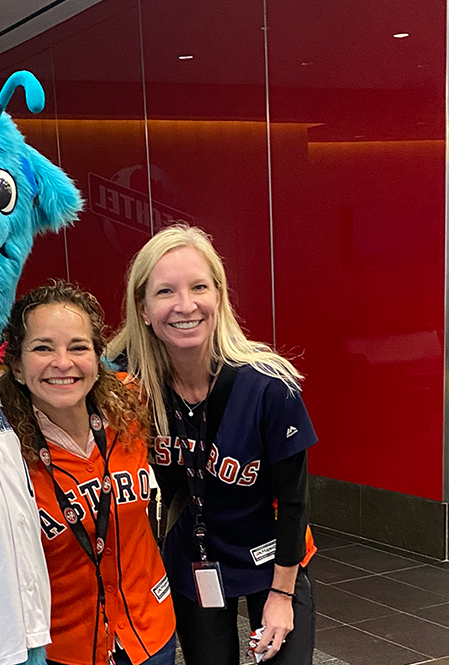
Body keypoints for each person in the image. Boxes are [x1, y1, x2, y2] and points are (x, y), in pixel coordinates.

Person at [109, 225, 317, 665]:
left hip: (275, 560)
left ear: (218, 296)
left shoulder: (268, 386)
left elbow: (294, 501)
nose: (185, 306)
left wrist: (282, 594)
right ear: (143, 309)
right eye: (166, 291)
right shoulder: (129, 388)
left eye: (199, 287)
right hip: (195, 561)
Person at [0, 282, 177, 665]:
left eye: (78, 347)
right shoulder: (0, 453)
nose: (62, 362)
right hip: (64, 650)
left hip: (152, 634)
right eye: (42, 348)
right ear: (16, 364)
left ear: (99, 359)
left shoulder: (131, 410)